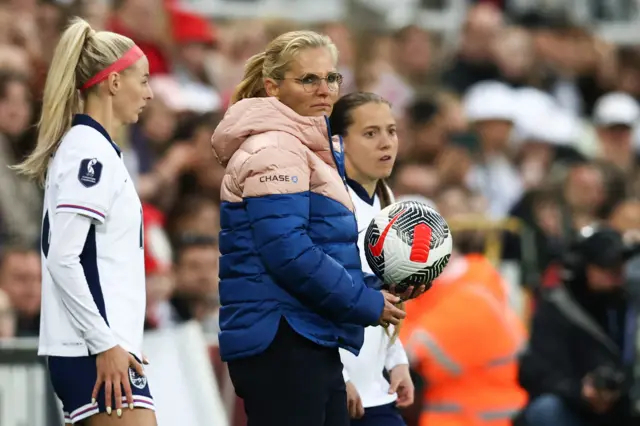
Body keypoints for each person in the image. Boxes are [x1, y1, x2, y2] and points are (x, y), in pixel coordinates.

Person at [210, 30, 406, 426]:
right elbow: (288, 253)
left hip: (305, 332)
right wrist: (367, 304)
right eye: (308, 79)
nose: (325, 89)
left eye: (332, 78)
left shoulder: (301, 144)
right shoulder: (276, 148)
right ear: (273, 86)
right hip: (282, 338)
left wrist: (377, 293)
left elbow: (318, 251)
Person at [11, 18, 156, 426]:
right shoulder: (88, 154)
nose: (148, 93)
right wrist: (104, 342)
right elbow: (64, 258)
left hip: (100, 346)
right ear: (112, 82)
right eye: (142, 80)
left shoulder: (96, 150)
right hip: (90, 350)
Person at [329, 92, 415, 426]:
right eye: (370, 133)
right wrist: (336, 374)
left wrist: (396, 359)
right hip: (342, 391)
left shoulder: (389, 203)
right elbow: (317, 295)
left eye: (391, 131)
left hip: (377, 390)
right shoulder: (330, 206)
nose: (386, 143)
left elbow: (387, 294)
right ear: (339, 142)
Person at [519, 226, 639, 426]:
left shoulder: (628, 304)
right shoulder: (556, 309)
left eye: (621, 265)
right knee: (546, 410)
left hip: (626, 407)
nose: (617, 273)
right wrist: (580, 392)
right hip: (576, 409)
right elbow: (534, 373)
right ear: (582, 267)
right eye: (607, 266)